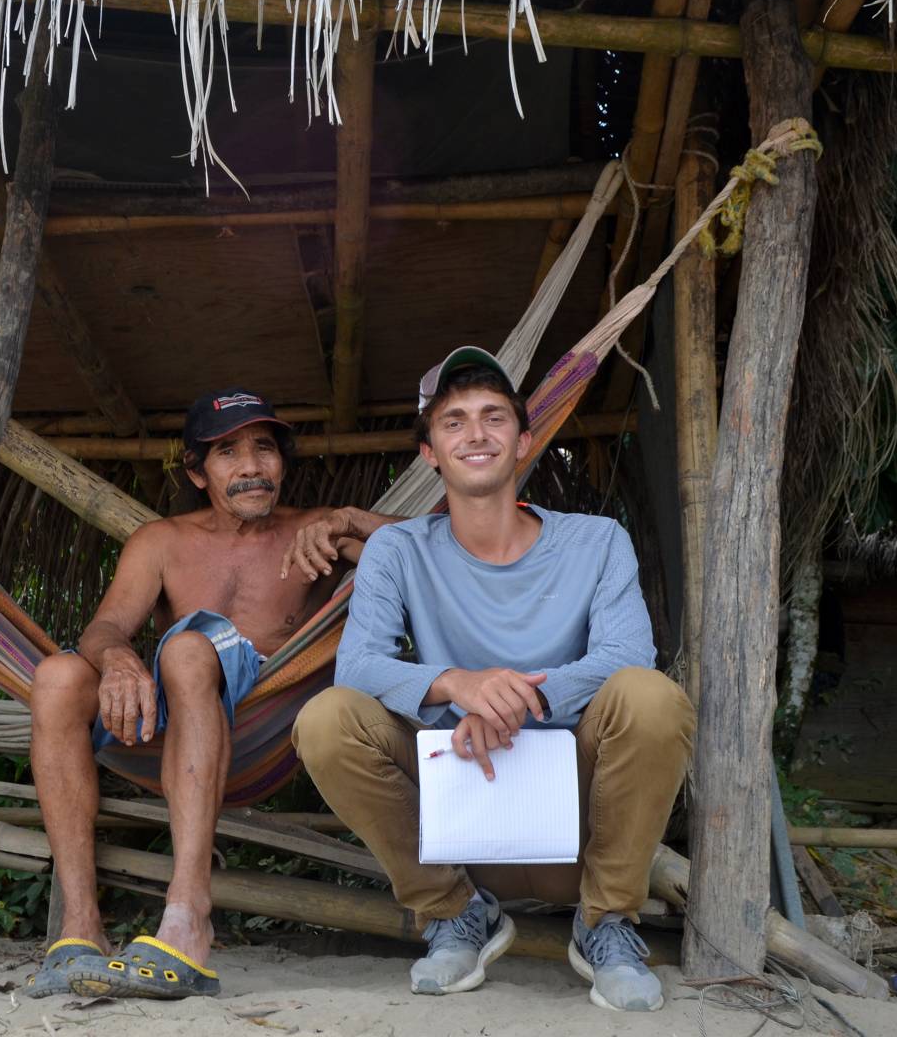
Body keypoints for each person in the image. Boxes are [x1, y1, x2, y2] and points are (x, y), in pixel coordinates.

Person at [290, 346, 696, 1012]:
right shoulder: (399, 549)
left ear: (524, 440)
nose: (475, 434)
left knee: (650, 696)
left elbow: (628, 652)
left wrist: (523, 698)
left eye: (493, 418)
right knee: (327, 718)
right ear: (430, 453)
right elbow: (359, 665)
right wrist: (458, 686)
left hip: (580, 821)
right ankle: (456, 914)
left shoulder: (596, 541)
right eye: (453, 422)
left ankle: (606, 925)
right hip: (458, 817)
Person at [28, 388, 397, 1000]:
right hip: (164, 723)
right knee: (56, 678)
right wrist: (118, 658)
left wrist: (353, 521)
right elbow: (106, 627)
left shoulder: (317, 531)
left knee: (189, 646)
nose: (252, 466)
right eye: (228, 452)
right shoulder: (162, 541)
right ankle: (79, 928)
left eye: (264, 448)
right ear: (198, 472)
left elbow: (437, 550)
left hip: (260, 720)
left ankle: (188, 917)